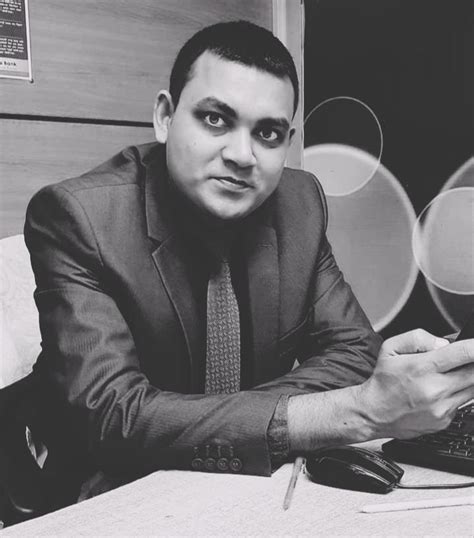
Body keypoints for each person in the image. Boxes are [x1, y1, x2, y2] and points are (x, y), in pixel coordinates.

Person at [23, 20, 474, 506]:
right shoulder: (79, 217)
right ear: (165, 117)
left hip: (249, 482)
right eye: (215, 119)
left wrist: (237, 423)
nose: (242, 155)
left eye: (268, 133)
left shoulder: (299, 202)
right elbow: (115, 417)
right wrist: (355, 411)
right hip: (107, 489)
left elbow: (354, 353)